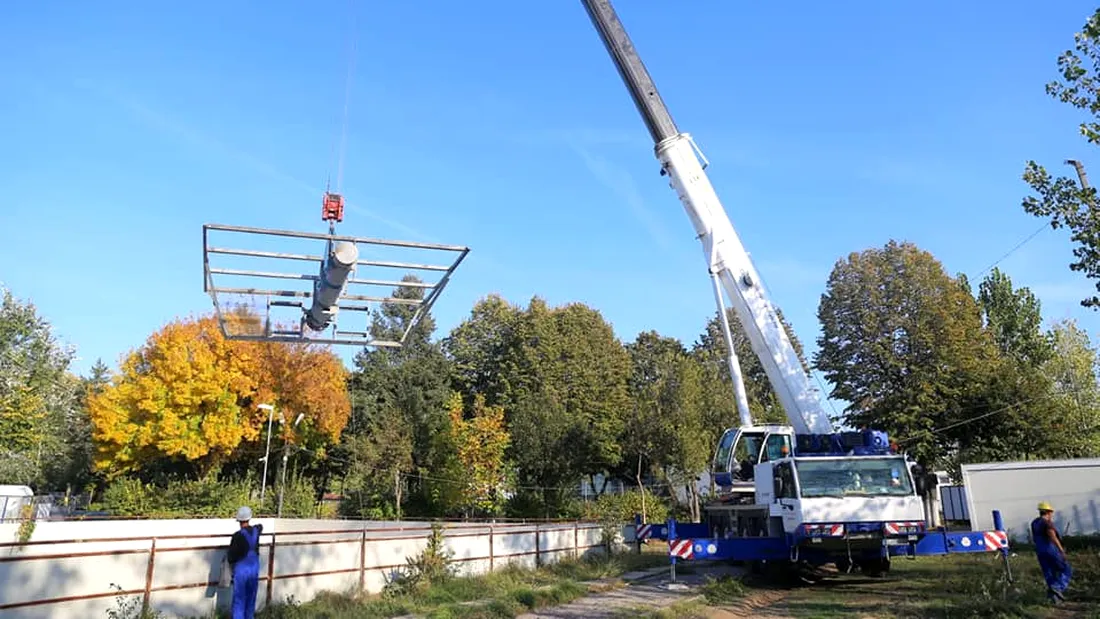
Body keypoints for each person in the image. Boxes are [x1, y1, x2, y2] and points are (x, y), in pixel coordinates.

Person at [1030, 501, 1071, 603]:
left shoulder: (1034, 522)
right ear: (1048, 512)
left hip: (1040, 550)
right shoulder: (1047, 523)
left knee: (1049, 573)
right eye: (1051, 512)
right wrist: (1061, 550)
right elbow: (1052, 536)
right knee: (1065, 569)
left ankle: (1053, 598)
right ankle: (1057, 587)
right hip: (1050, 549)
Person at [227, 506, 263, 619]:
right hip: (254, 568)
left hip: (242, 569)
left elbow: (231, 557)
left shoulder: (237, 536)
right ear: (249, 518)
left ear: (239, 521)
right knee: (251, 597)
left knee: (239, 599)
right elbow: (260, 526)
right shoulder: (256, 531)